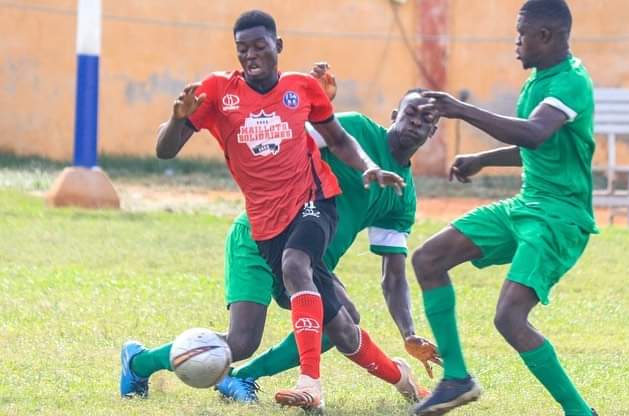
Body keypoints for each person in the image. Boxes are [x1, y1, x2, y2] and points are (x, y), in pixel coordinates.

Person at [120, 10, 411, 412]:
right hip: (259, 228)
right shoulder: (217, 92)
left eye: (260, 46)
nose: (251, 56)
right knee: (253, 339)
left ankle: (308, 384)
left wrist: (370, 167)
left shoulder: (301, 89)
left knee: (299, 270)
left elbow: (338, 139)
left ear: (279, 45)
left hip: (314, 202)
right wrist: (176, 119)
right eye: (242, 50)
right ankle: (139, 362)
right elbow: (164, 150)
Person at [410, 1, 599, 415]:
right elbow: (538, 145)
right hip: (525, 207)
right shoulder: (538, 81)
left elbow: (534, 133)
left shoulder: (570, 83)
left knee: (510, 318)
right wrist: (483, 161)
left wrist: (460, 110)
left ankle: (581, 412)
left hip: (558, 218)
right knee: (428, 258)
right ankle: (456, 378)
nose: (516, 42)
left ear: (546, 36)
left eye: (522, 33)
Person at [213, 69, 444, 403]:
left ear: (434, 131)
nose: (416, 124)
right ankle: (141, 362)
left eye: (426, 120)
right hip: (258, 236)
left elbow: (393, 276)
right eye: (410, 114)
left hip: (308, 257)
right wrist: (314, 102)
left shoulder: (402, 195)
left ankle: (245, 377)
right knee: (241, 342)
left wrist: (409, 334)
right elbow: (290, 138)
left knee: (343, 320)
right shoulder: (355, 129)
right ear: (395, 115)